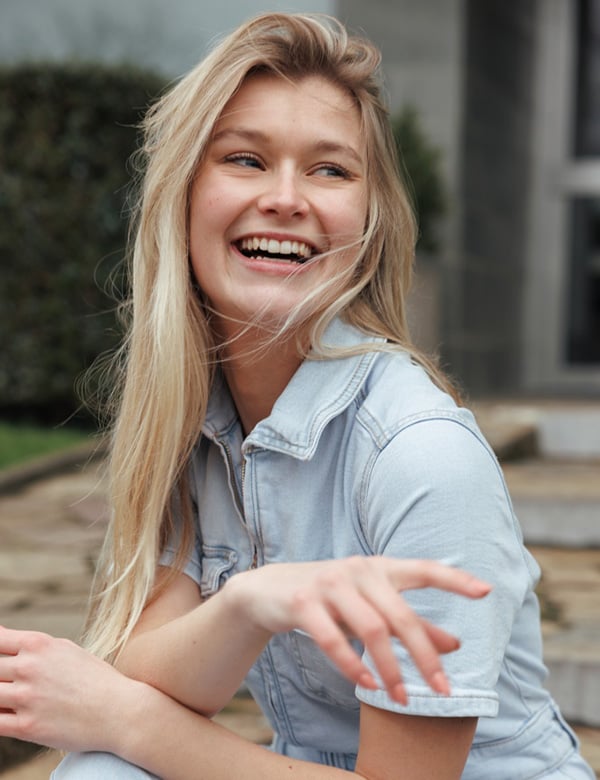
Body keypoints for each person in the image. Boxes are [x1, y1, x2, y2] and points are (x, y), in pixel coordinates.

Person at [0, 12, 594, 780]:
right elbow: (150, 666)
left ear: (369, 225)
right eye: (245, 159)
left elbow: (135, 703)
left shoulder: (424, 457)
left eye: (330, 170)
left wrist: (124, 717)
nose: (287, 198)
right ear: (181, 196)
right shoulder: (198, 422)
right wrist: (249, 602)